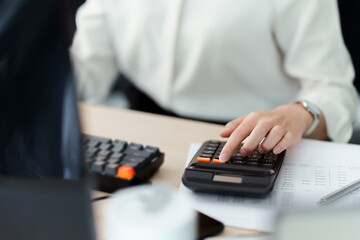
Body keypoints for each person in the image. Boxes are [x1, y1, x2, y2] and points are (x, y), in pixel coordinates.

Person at [70, 0, 357, 162]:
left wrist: (301, 112)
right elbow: (84, 73)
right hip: (149, 135)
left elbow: (336, 90)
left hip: (259, 143)